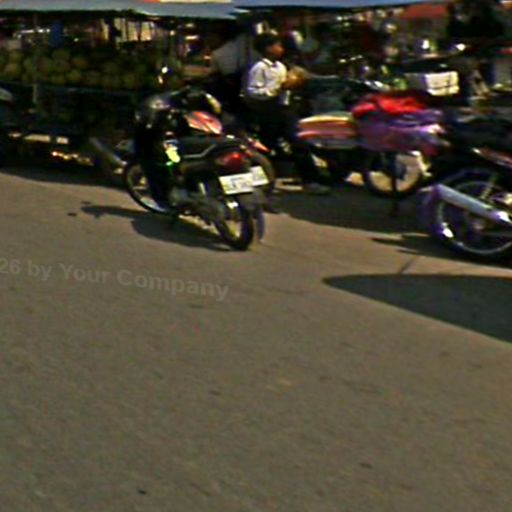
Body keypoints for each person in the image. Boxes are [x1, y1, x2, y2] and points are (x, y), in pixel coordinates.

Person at [244, 32, 330, 195]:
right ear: (267, 48)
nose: (281, 48)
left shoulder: (281, 66)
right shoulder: (259, 68)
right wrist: (277, 89)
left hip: (285, 110)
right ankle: (257, 181)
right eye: (277, 45)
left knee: (299, 143)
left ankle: (310, 180)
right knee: (266, 146)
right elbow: (253, 91)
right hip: (269, 111)